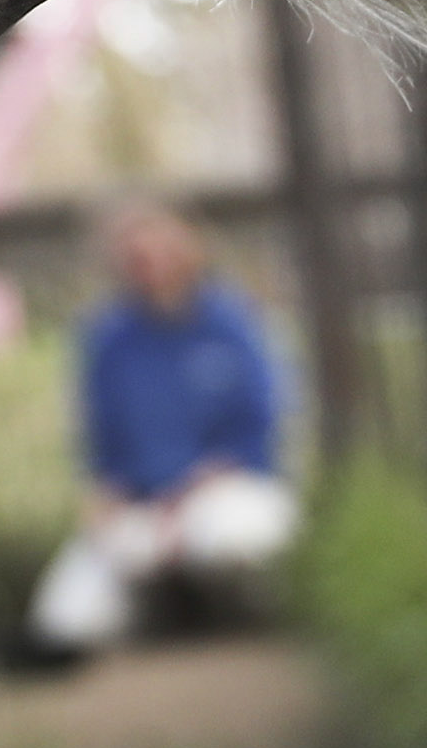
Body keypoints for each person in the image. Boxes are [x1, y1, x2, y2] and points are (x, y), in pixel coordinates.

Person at [16, 202, 296, 663]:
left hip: (222, 490)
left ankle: (236, 617)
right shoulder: (106, 339)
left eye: (159, 253)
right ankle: (153, 614)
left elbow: (260, 428)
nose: (149, 267)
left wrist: (192, 493)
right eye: (135, 258)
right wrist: (105, 494)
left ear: (189, 252)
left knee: (233, 538)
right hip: (141, 502)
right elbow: (100, 443)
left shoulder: (235, 325)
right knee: (65, 620)